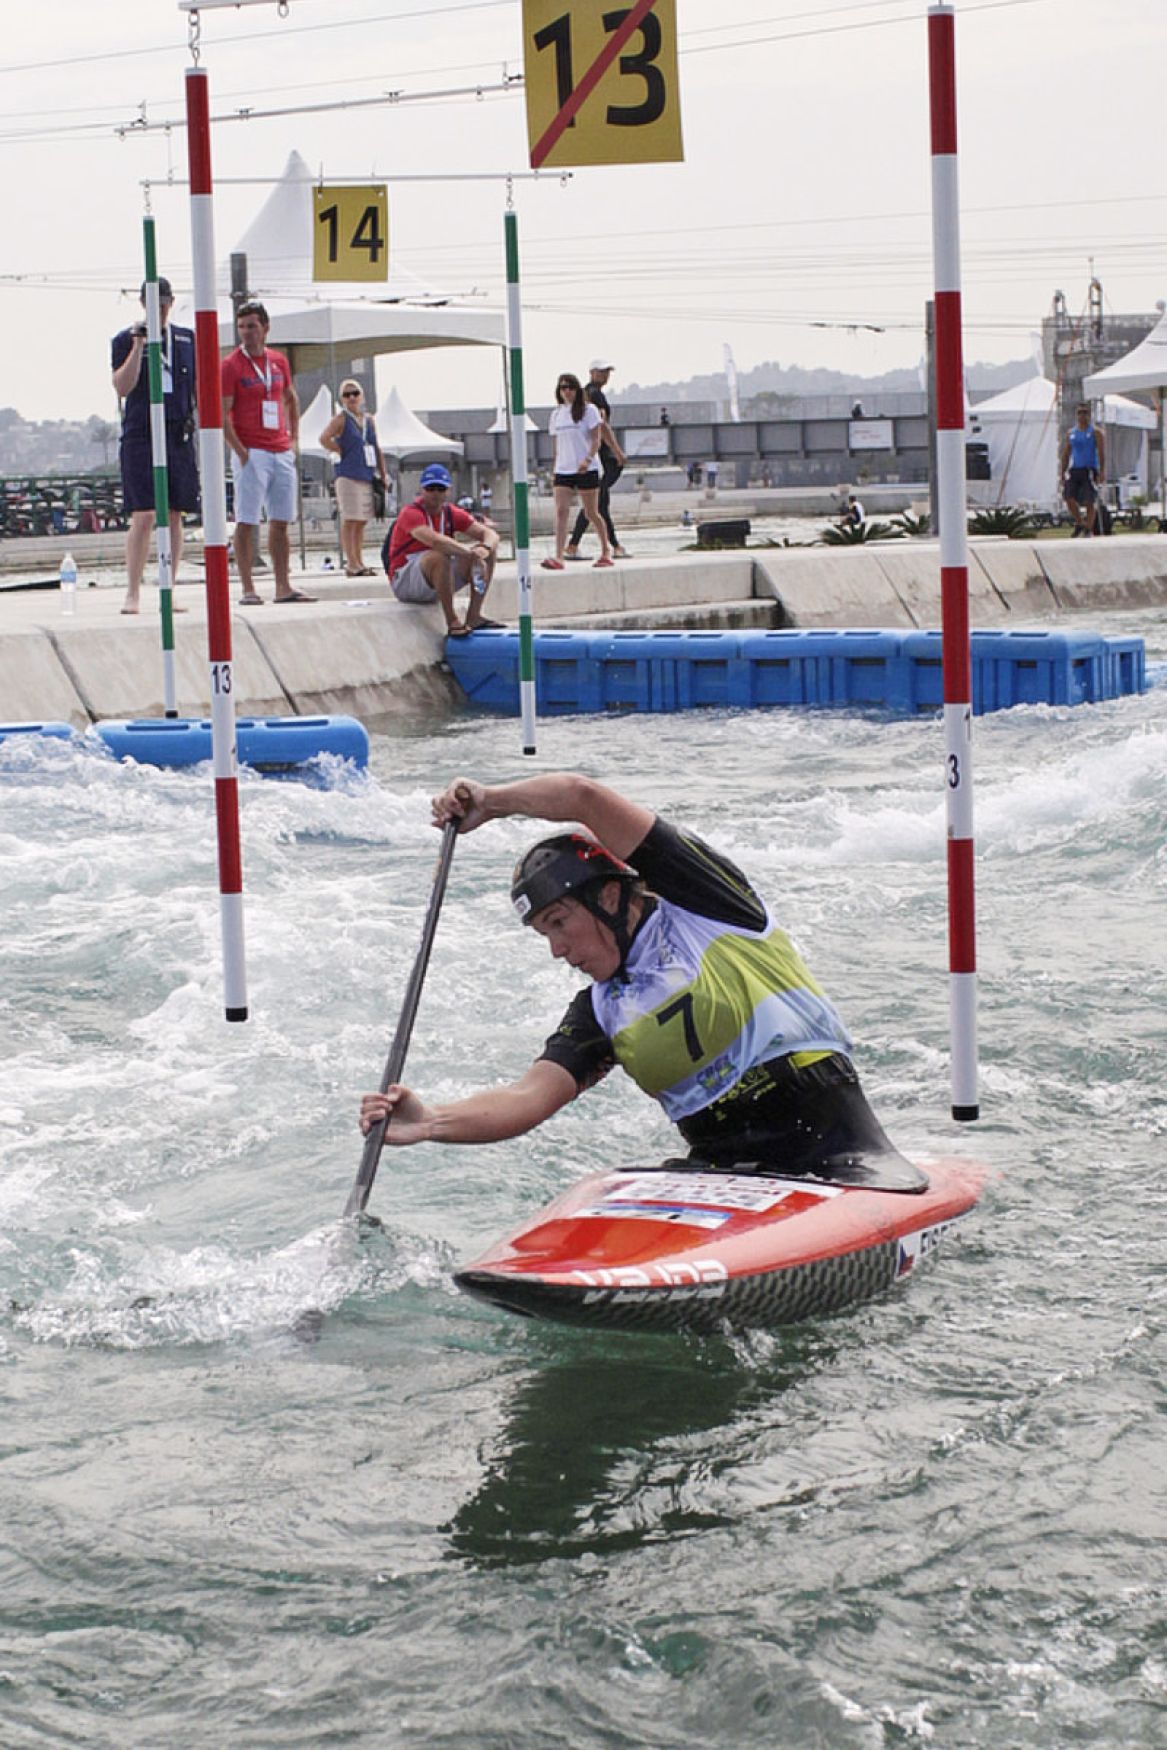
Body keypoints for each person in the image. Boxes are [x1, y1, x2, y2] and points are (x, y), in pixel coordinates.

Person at [359, 773, 905, 1182]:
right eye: (542, 934)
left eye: (559, 923)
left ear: (612, 895)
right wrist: (429, 1121)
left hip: (841, 1158)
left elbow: (582, 797)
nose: (556, 950)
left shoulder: (708, 906)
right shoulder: (601, 1008)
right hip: (723, 1173)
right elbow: (529, 1096)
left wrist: (492, 803)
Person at [110, 277, 199, 616]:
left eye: (163, 302)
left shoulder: (185, 339)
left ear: (171, 302)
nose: (158, 308)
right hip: (141, 432)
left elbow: (195, 386)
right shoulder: (125, 339)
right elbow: (122, 385)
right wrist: (138, 347)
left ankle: (170, 585)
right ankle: (132, 590)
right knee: (144, 513)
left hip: (177, 431)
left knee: (175, 513)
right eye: (152, 302)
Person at [221, 299, 315, 605]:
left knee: (281, 521)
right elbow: (222, 414)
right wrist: (240, 451)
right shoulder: (231, 365)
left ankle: (282, 586)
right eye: (242, 327)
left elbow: (290, 397)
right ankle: (247, 587)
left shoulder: (278, 361)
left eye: (252, 326)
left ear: (265, 328)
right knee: (247, 520)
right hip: (252, 451)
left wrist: (294, 438)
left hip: (279, 448)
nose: (247, 333)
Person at [385, 461, 500, 638]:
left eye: (440, 488)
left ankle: (474, 615)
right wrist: (471, 554)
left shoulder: (451, 513)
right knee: (438, 556)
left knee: (488, 553)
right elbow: (435, 541)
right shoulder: (410, 513)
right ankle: (452, 621)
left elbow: (490, 534)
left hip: (434, 575)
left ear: (448, 491)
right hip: (406, 579)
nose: (435, 494)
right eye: (430, 489)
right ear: (422, 490)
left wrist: (484, 549)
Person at [542, 372, 612, 571]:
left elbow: (596, 439)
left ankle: (605, 549)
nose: (567, 392)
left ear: (577, 390)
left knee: (591, 512)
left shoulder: (589, 411)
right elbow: (557, 444)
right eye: (563, 388)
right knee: (561, 511)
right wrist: (555, 468)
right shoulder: (557, 414)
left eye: (570, 387)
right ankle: (558, 556)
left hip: (586, 467)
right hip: (564, 468)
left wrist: (588, 459)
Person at [318, 378, 389, 576]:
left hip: (366, 474)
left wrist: (383, 474)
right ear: (342, 398)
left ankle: (359, 560)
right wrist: (339, 449)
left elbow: (377, 447)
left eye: (355, 393)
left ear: (361, 395)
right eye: (347, 394)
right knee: (351, 518)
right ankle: (351, 562)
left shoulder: (369, 420)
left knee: (362, 520)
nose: (352, 397)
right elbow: (323, 438)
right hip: (348, 475)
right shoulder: (341, 418)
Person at [564, 359, 628, 561]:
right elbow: (601, 425)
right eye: (602, 372)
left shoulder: (586, 395)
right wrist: (617, 450)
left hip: (595, 456)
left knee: (597, 504)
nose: (606, 375)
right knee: (597, 503)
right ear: (592, 373)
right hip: (600, 457)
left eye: (607, 372)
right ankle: (608, 546)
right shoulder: (594, 395)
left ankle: (579, 545)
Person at [1060, 402, 1106, 536]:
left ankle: (1089, 528)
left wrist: (1101, 471)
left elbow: (1101, 453)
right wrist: (1062, 471)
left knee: (1089, 500)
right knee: (1069, 497)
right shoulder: (1071, 433)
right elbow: (1066, 453)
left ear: (1089, 415)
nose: (1082, 415)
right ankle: (1080, 522)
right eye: (1080, 413)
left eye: (1085, 413)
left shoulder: (1095, 432)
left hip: (1089, 469)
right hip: (1075, 469)